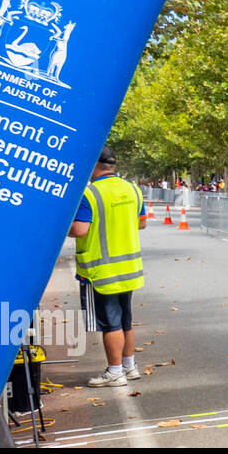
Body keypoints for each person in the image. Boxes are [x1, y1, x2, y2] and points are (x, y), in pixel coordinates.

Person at [67, 146, 147, 388]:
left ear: (94, 165)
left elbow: (80, 229)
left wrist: (62, 227)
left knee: (110, 324)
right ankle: (129, 366)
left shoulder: (90, 194)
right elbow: (141, 224)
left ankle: (114, 372)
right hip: (128, 268)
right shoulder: (132, 189)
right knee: (125, 321)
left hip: (101, 272)